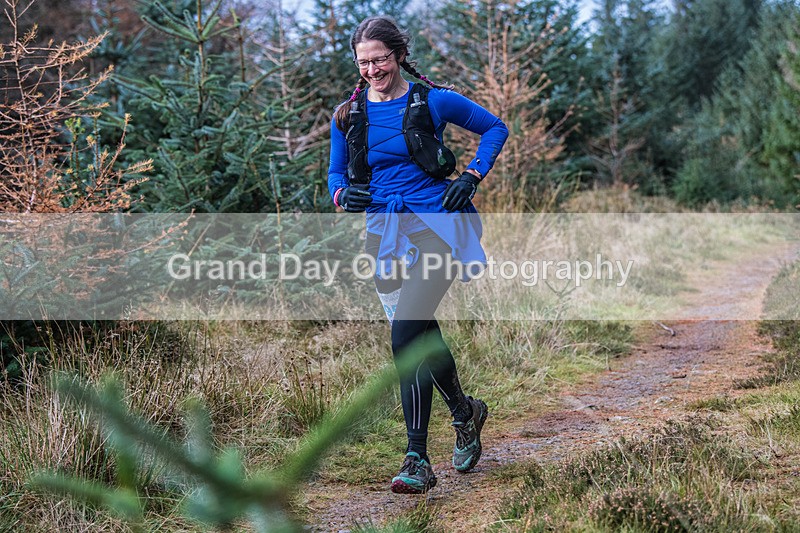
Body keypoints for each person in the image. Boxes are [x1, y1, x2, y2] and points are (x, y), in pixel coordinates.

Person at [327, 15, 508, 494]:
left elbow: (495, 128)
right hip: (384, 236)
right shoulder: (347, 115)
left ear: (399, 55)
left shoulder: (435, 100)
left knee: (406, 334)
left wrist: (472, 175)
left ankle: (416, 457)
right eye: (363, 62)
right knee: (421, 332)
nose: (372, 69)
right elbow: (335, 176)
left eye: (380, 59)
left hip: (437, 229)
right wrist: (344, 197)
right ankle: (466, 413)